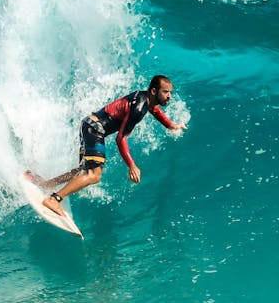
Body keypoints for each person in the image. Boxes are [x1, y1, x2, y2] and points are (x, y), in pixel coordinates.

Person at [26, 75, 185, 217]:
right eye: (166, 92)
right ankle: (53, 199)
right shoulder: (138, 108)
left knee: (83, 172)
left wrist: (171, 125)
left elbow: (155, 110)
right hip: (95, 129)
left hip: (89, 125)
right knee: (94, 175)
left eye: (170, 92)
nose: (169, 96)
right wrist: (131, 165)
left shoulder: (144, 98)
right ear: (154, 91)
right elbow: (120, 138)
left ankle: (46, 185)